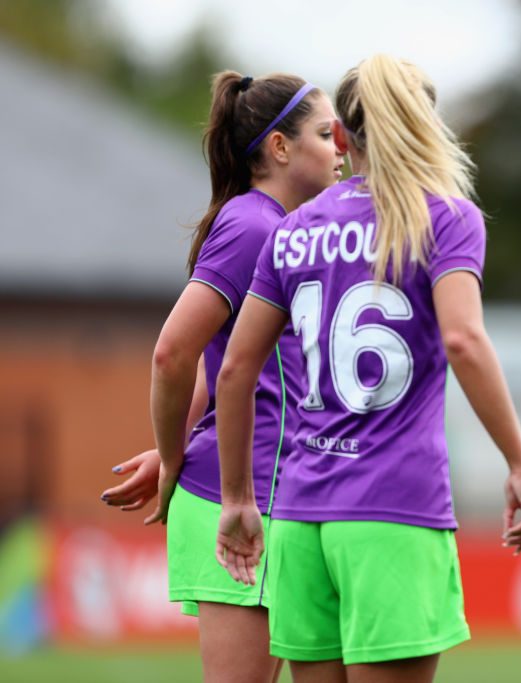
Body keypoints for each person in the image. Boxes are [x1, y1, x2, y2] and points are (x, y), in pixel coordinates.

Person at [214, 54, 521, 683]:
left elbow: (234, 370)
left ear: (341, 136)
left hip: (301, 518)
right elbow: (465, 341)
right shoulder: (444, 218)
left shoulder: (293, 230)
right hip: (393, 510)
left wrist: (238, 497)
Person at [103, 70, 343, 683]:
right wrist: (174, 456)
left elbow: (223, 363)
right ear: (280, 148)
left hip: (276, 495)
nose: (340, 144)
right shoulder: (254, 225)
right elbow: (173, 353)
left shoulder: (287, 228)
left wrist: (174, 448)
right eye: (323, 131)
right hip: (240, 500)